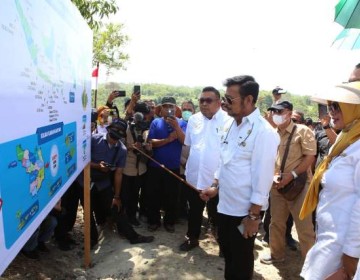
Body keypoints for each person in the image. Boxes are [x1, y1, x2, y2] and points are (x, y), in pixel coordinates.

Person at [201, 75, 280, 279]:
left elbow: (263, 178)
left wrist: (254, 217)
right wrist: (215, 185)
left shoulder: (264, 132)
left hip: (244, 212)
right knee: (227, 254)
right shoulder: (229, 125)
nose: (225, 104)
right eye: (225, 98)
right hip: (224, 205)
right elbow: (225, 161)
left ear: (249, 100)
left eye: (230, 99)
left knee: (241, 261)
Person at [300, 82, 360, 280]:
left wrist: (351, 256)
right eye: (329, 105)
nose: (330, 111)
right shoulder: (346, 140)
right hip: (330, 239)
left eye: (337, 106)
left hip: (344, 249)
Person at [261, 101, 316, 265]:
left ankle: (310, 266)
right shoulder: (271, 133)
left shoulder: (303, 131)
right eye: (273, 111)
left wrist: (291, 175)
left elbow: (309, 157)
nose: (275, 115)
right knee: (276, 223)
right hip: (278, 185)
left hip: (299, 186)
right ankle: (276, 254)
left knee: (305, 229)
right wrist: (272, 176)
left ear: (289, 113)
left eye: (279, 111)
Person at [179, 87, 230, 252]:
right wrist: (184, 166)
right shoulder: (193, 120)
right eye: (201, 100)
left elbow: (229, 154)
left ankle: (223, 243)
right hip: (194, 177)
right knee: (194, 212)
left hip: (217, 180)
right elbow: (188, 146)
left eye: (209, 100)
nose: (204, 104)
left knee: (219, 214)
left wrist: (217, 181)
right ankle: (192, 238)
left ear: (219, 102)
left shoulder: (229, 121)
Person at [146, 96, 187, 233]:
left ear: (176, 109)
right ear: (161, 109)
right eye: (165, 106)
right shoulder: (155, 122)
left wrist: (176, 127)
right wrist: (168, 139)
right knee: (153, 196)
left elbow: (184, 141)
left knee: (172, 196)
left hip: (174, 167)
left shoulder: (182, 124)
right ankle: (154, 221)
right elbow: (151, 142)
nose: (168, 109)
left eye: (171, 106)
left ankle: (170, 221)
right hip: (155, 166)